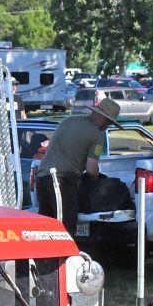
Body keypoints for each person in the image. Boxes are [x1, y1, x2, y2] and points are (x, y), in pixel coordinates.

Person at [33, 96, 119, 235]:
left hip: (42, 178)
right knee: (66, 226)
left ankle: (44, 257)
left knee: (46, 227)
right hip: (62, 182)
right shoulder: (98, 135)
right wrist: (97, 179)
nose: (107, 126)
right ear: (103, 119)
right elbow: (91, 169)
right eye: (109, 122)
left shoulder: (68, 121)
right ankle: (64, 256)